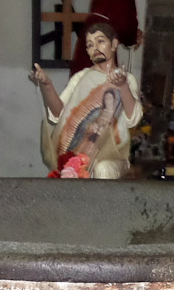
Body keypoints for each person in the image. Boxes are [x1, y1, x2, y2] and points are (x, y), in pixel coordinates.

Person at [32, 23, 143, 179]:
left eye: (100, 41)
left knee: (103, 169)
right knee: (74, 169)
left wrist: (122, 85)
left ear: (114, 44)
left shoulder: (127, 79)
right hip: (82, 151)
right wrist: (47, 85)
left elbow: (133, 119)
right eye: (90, 45)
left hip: (113, 156)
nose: (95, 48)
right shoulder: (80, 78)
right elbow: (58, 114)